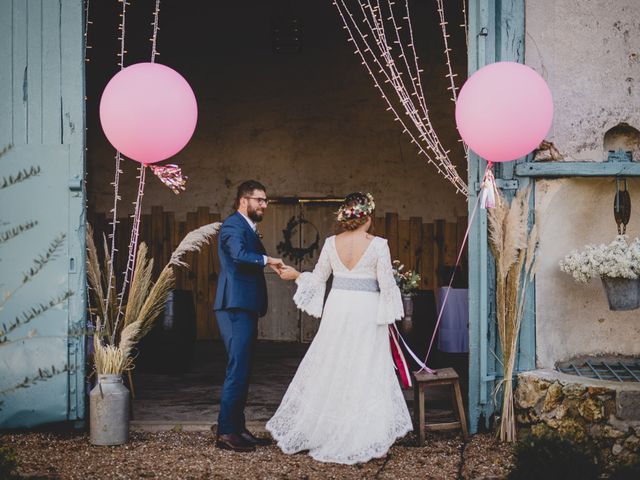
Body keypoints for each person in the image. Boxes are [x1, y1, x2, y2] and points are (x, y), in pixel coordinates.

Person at [266, 192, 412, 464]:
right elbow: (387, 285)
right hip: (367, 310)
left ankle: (327, 429)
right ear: (367, 216)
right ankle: (367, 434)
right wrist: (391, 313)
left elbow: (319, 279)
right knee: (366, 367)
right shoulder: (379, 245)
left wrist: (296, 275)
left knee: (334, 364)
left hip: (338, 308)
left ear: (345, 217)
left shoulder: (331, 243)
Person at [214, 180, 284, 452]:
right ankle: (225, 432)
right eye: (260, 200)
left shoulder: (247, 227)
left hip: (245, 305)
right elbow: (239, 255)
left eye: (265, 200)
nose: (264, 205)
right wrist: (268, 260)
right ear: (244, 201)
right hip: (234, 306)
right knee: (236, 369)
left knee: (243, 369)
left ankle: (237, 427)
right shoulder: (233, 225)